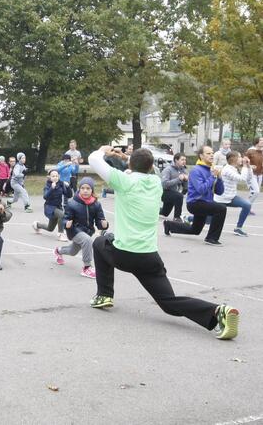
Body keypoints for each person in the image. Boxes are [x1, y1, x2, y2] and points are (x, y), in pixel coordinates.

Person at [88, 145, 239, 340]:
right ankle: (217, 312)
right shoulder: (155, 182)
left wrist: (103, 150)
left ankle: (104, 294)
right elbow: (139, 170)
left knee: (100, 242)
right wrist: (130, 159)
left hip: (123, 255)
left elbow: (93, 159)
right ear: (151, 167)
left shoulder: (124, 181)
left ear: (131, 165)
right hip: (149, 258)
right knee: (169, 303)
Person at [163, 146, 226, 246]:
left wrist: (219, 178)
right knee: (221, 209)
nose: (212, 155)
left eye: (212, 153)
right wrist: (212, 177)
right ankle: (211, 238)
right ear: (201, 156)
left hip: (205, 202)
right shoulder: (196, 170)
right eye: (208, 153)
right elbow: (201, 189)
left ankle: (169, 225)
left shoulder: (211, 169)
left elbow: (220, 192)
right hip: (195, 203)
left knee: (195, 230)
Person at [54, 177, 108, 279]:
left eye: (88, 188)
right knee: (87, 241)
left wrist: (104, 224)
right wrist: (66, 223)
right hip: (74, 230)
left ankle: (58, 251)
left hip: (87, 231)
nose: (85, 190)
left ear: (92, 190)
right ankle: (87, 268)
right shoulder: (72, 203)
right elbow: (65, 218)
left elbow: (100, 222)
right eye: (83, 188)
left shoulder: (96, 204)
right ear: (79, 189)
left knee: (72, 251)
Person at [214, 151, 254, 236]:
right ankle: (189, 219)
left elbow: (248, 178)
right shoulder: (227, 170)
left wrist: (248, 167)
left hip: (231, 197)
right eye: (239, 157)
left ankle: (238, 228)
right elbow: (242, 179)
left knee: (247, 205)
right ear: (233, 159)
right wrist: (244, 166)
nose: (242, 158)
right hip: (221, 199)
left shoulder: (233, 168)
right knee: (208, 220)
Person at [32, 169, 72, 241]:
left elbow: (69, 195)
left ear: (59, 176)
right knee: (62, 215)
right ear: (49, 177)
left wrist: (68, 187)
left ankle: (37, 225)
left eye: (56, 176)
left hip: (58, 207)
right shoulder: (47, 186)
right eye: (53, 176)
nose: (55, 177)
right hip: (49, 208)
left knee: (50, 228)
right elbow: (45, 197)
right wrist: (51, 188)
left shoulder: (61, 184)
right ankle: (61, 234)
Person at [159, 153, 188, 221]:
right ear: (176, 160)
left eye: (185, 160)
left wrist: (186, 180)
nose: (184, 161)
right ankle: (177, 217)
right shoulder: (168, 170)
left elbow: (185, 188)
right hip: (164, 192)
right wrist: (178, 179)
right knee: (179, 196)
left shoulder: (183, 170)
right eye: (182, 160)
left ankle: (152, 211)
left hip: (174, 193)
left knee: (165, 213)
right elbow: (164, 184)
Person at [245, 137, 263, 214]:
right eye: (261, 140)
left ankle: (248, 208)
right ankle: (246, 207)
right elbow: (244, 161)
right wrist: (250, 166)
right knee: (255, 191)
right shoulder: (250, 151)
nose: (262, 142)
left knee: (254, 192)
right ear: (256, 142)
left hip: (260, 174)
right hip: (251, 174)